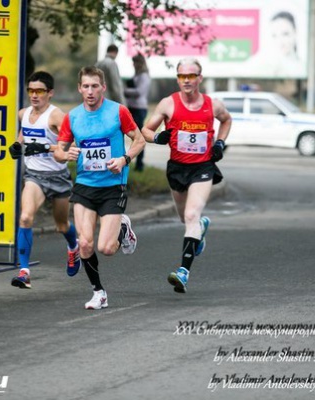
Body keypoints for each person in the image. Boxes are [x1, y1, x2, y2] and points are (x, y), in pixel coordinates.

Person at [54, 66, 146, 310]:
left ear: (103, 87)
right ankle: (99, 292)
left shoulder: (118, 111)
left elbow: (139, 140)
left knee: (106, 248)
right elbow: (59, 151)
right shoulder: (72, 117)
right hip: (84, 185)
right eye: (85, 86)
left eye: (95, 86)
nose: (90, 91)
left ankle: (122, 228)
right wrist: (65, 154)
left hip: (113, 185)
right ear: (79, 88)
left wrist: (124, 159)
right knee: (85, 243)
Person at [140, 58, 232, 294]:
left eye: (191, 76)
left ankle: (183, 272)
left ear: (200, 78)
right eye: (182, 76)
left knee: (191, 214)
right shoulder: (168, 104)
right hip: (177, 168)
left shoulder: (213, 105)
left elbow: (226, 120)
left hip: (203, 167)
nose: (187, 80)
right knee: (185, 218)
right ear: (178, 78)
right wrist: (158, 137)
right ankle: (200, 227)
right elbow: (146, 130)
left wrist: (220, 143)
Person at [8, 71, 80, 289]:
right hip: (34, 176)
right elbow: (24, 132)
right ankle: (24, 272)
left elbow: (72, 144)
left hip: (58, 177)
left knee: (61, 225)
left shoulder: (57, 116)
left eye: (39, 91)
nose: (34, 95)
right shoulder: (23, 113)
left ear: (50, 93)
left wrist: (46, 147)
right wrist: (18, 144)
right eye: (31, 90)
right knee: (25, 217)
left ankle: (73, 247)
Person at [123, 54, 151, 172]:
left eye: (135, 62)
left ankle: (139, 164)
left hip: (139, 108)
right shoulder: (137, 75)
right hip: (131, 106)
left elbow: (139, 92)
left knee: (139, 136)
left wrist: (124, 90)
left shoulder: (144, 76)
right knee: (132, 136)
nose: (133, 65)